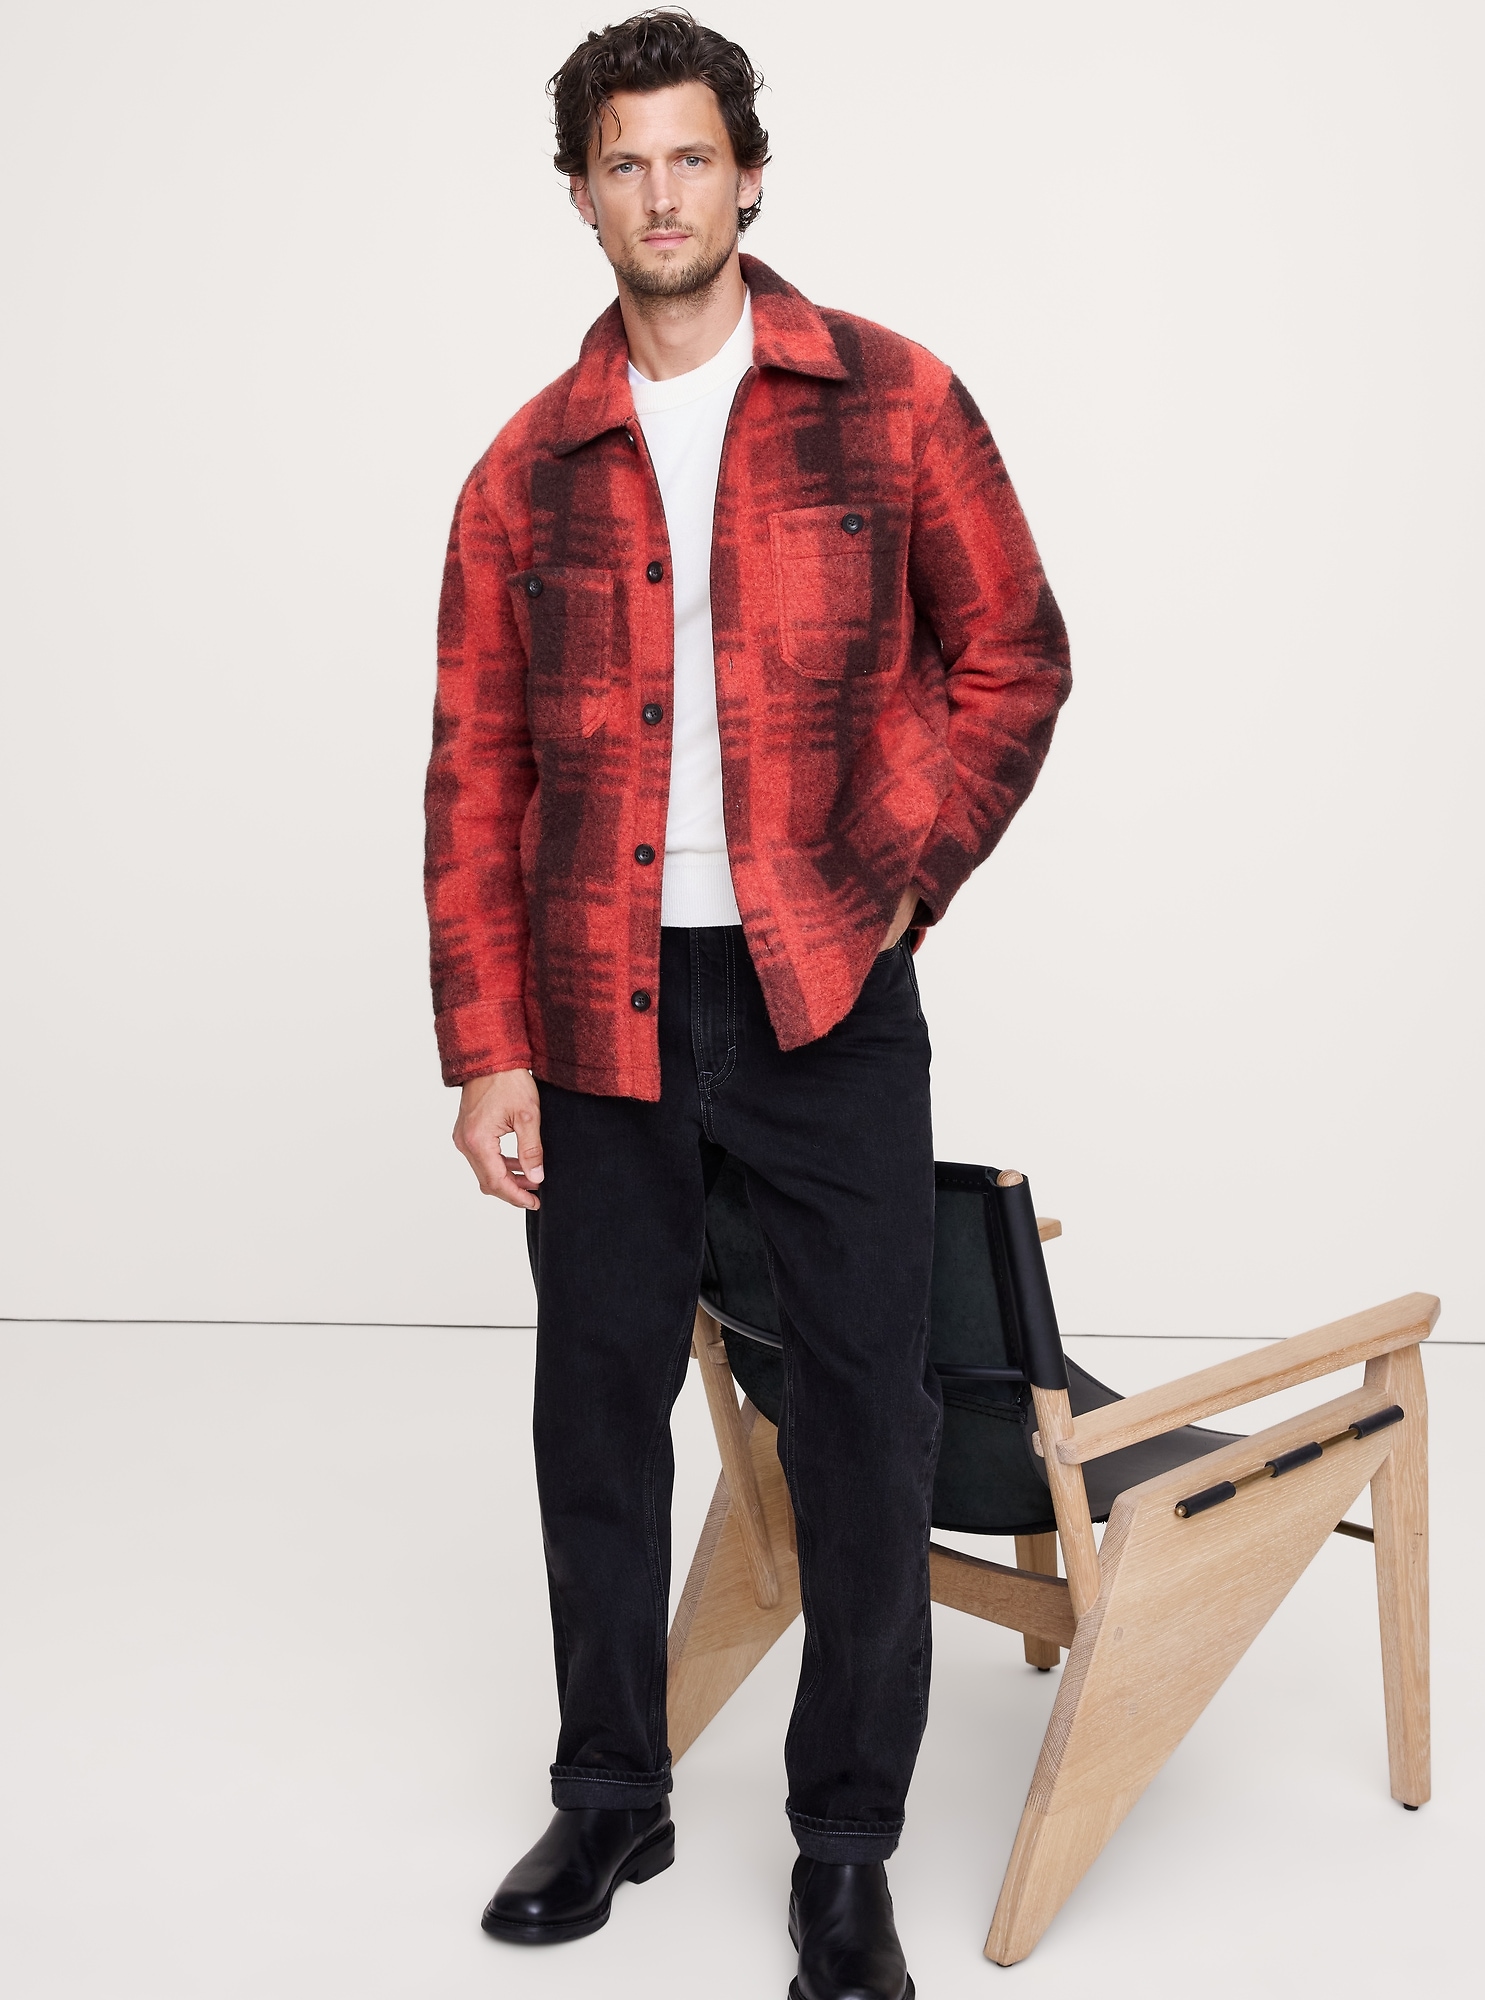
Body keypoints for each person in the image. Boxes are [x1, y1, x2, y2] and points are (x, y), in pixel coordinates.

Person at [423, 12, 1070, 1995]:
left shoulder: (893, 399)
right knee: (597, 1413)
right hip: (596, 1001)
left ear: (751, 173)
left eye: (691, 156)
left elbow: (1015, 656)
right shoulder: (522, 470)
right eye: (623, 162)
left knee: (866, 1420)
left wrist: (901, 880)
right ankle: (612, 1788)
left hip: (823, 995)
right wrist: (487, 1044)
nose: (661, 192)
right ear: (580, 194)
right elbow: (475, 771)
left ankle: (844, 1853)